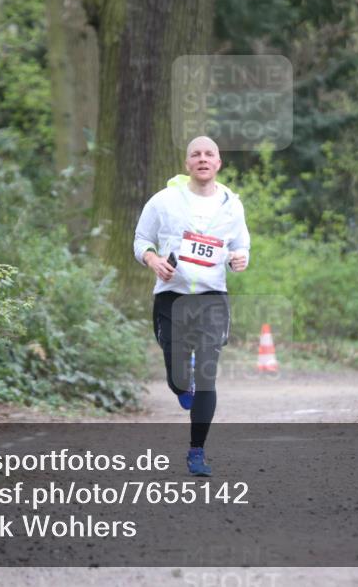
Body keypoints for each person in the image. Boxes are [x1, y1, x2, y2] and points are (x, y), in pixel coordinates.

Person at [133, 136, 250, 476]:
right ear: (187, 164)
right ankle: (183, 387)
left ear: (218, 163)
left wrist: (240, 259)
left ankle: (197, 451)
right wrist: (152, 259)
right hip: (171, 297)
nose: (202, 158)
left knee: (206, 376)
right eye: (195, 154)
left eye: (209, 154)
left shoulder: (232, 205)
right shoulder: (164, 200)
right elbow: (141, 241)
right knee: (179, 380)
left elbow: (241, 245)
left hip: (213, 298)